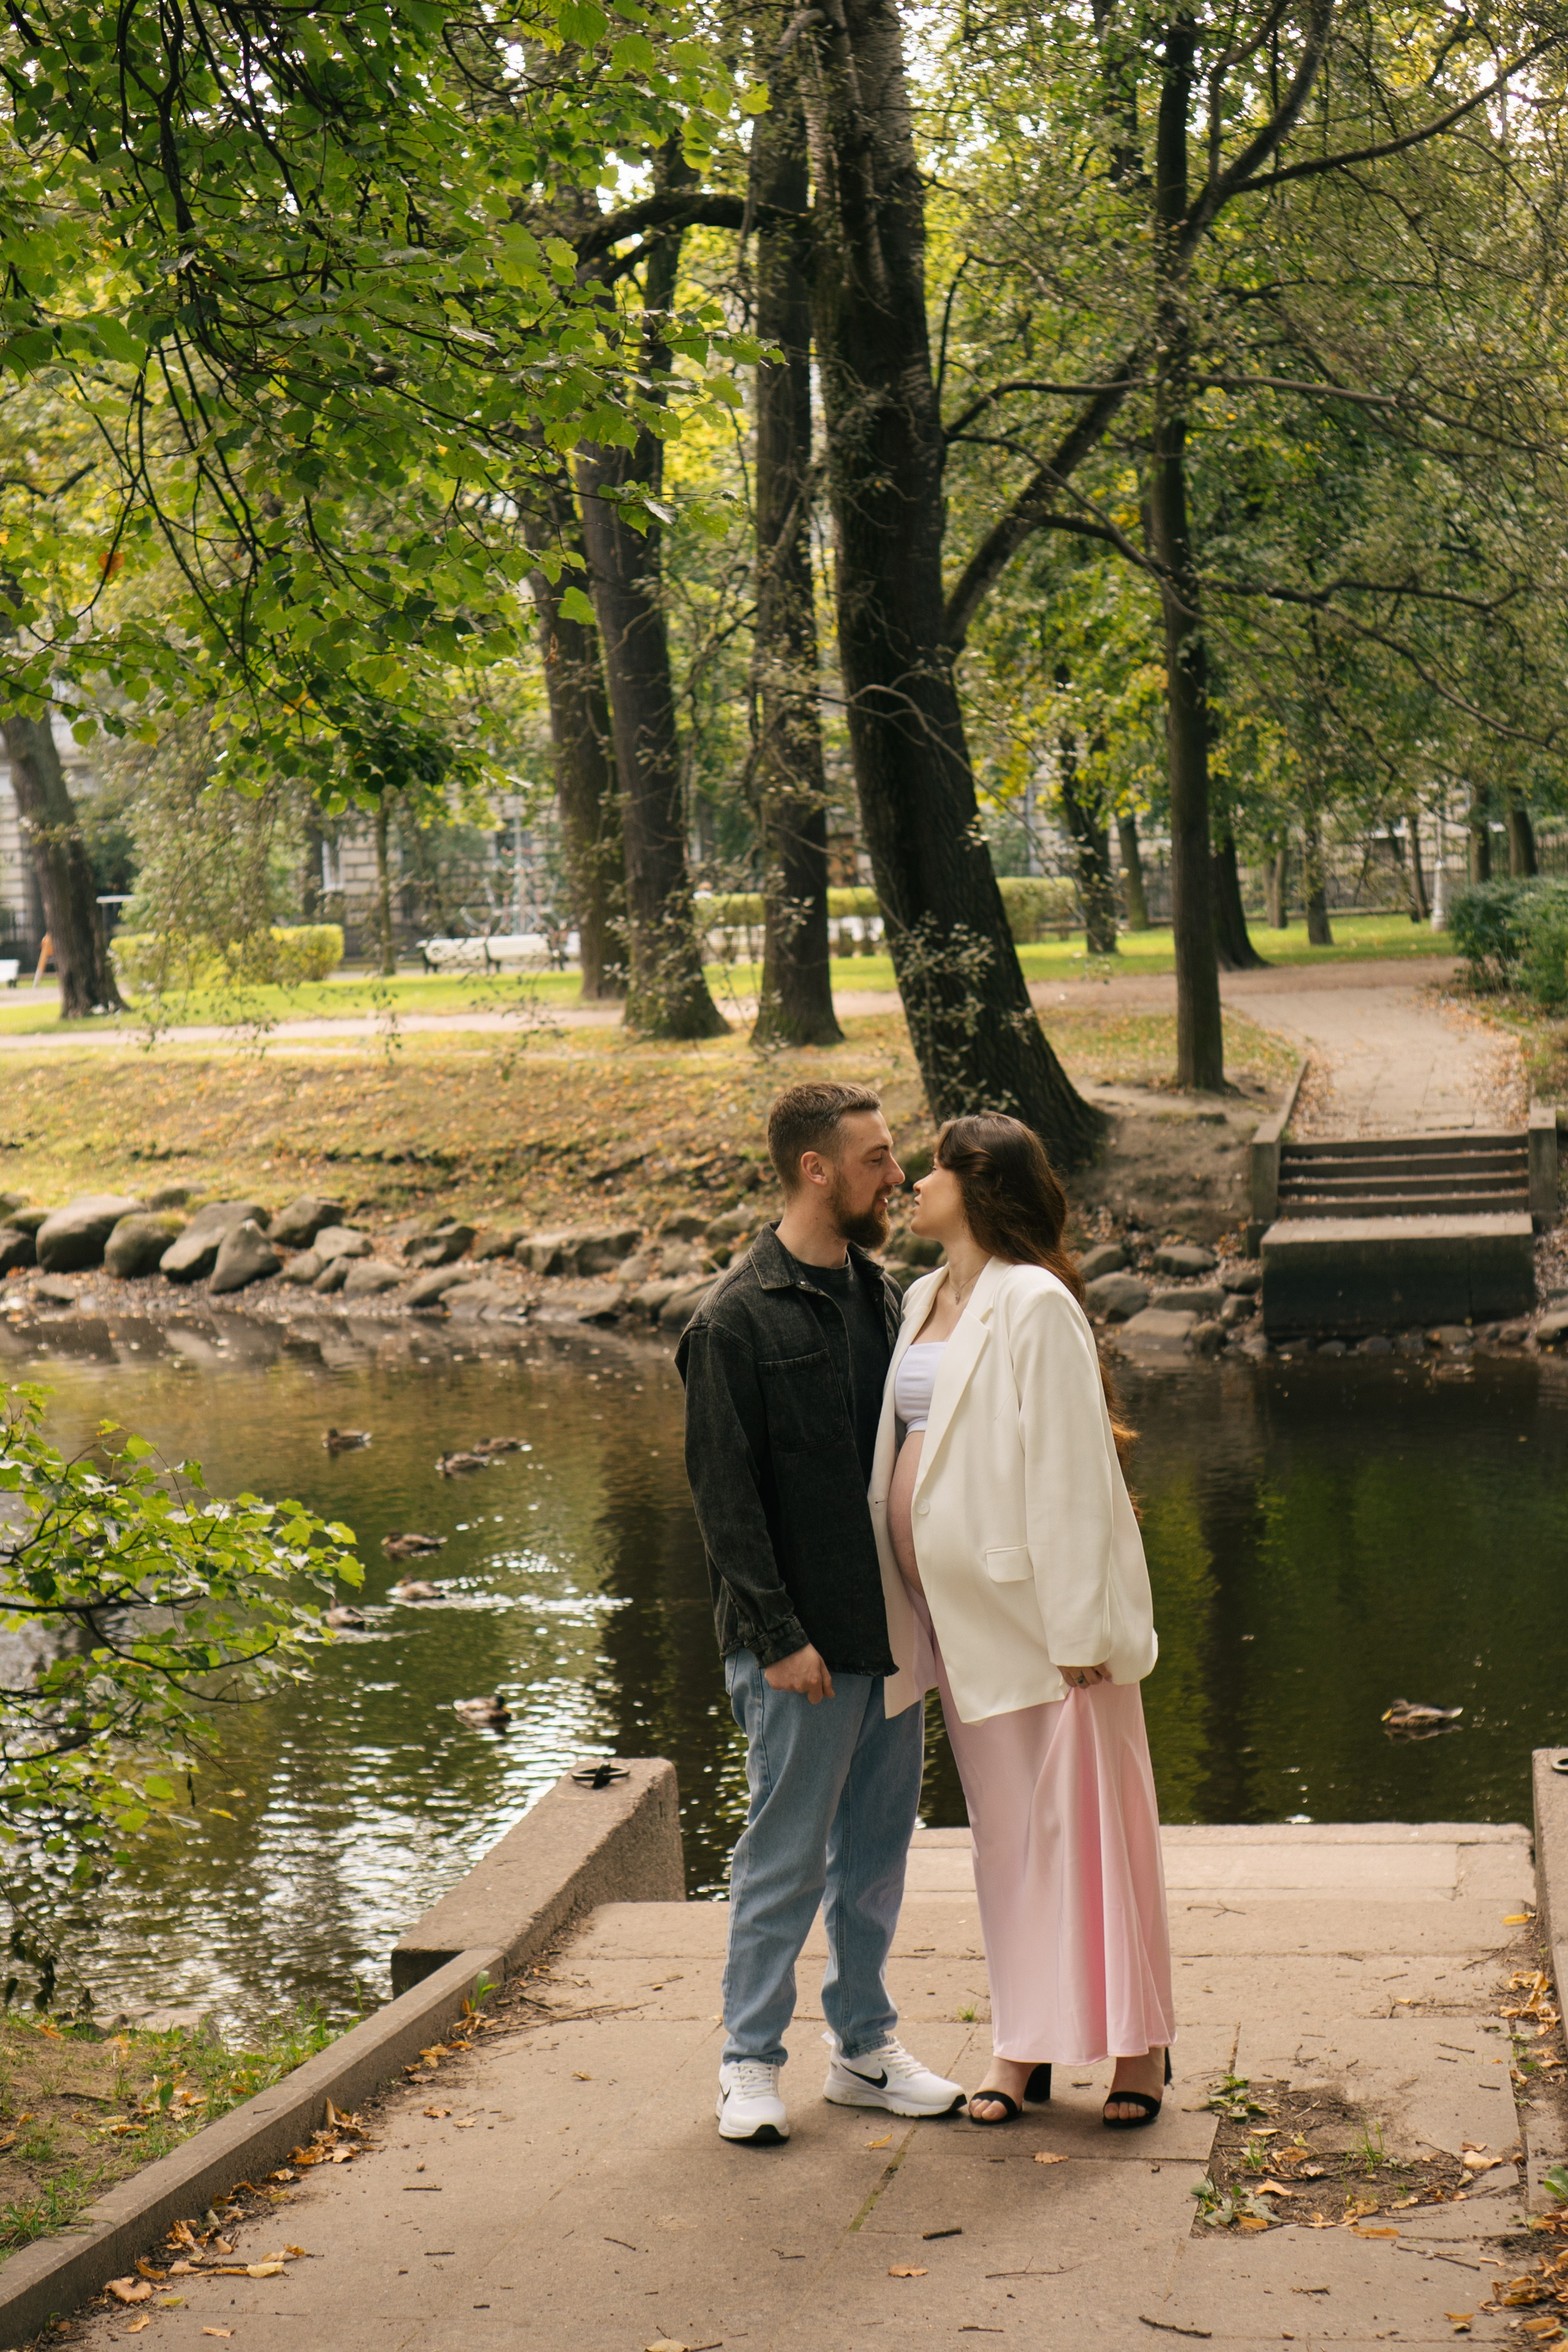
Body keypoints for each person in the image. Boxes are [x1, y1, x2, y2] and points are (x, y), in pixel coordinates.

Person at [869, 1112, 1176, 2128]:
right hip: (955, 1622)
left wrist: (1081, 1628)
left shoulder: (1035, 1301)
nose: (913, 1181)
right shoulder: (922, 1296)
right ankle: (1024, 2046)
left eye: (936, 1168)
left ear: (981, 1182)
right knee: (1005, 1841)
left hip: (1045, 1625)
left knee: (1091, 1829)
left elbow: (1073, 1471)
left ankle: (1137, 2049)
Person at [677, 1080, 965, 2146]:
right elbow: (727, 1503)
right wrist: (778, 1636)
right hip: (798, 1648)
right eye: (879, 1158)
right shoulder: (732, 1320)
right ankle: (748, 2063)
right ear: (817, 1169)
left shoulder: (887, 1297)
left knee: (879, 1857)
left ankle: (864, 2050)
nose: (897, 1176)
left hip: (892, 1634)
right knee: (783, 1859)